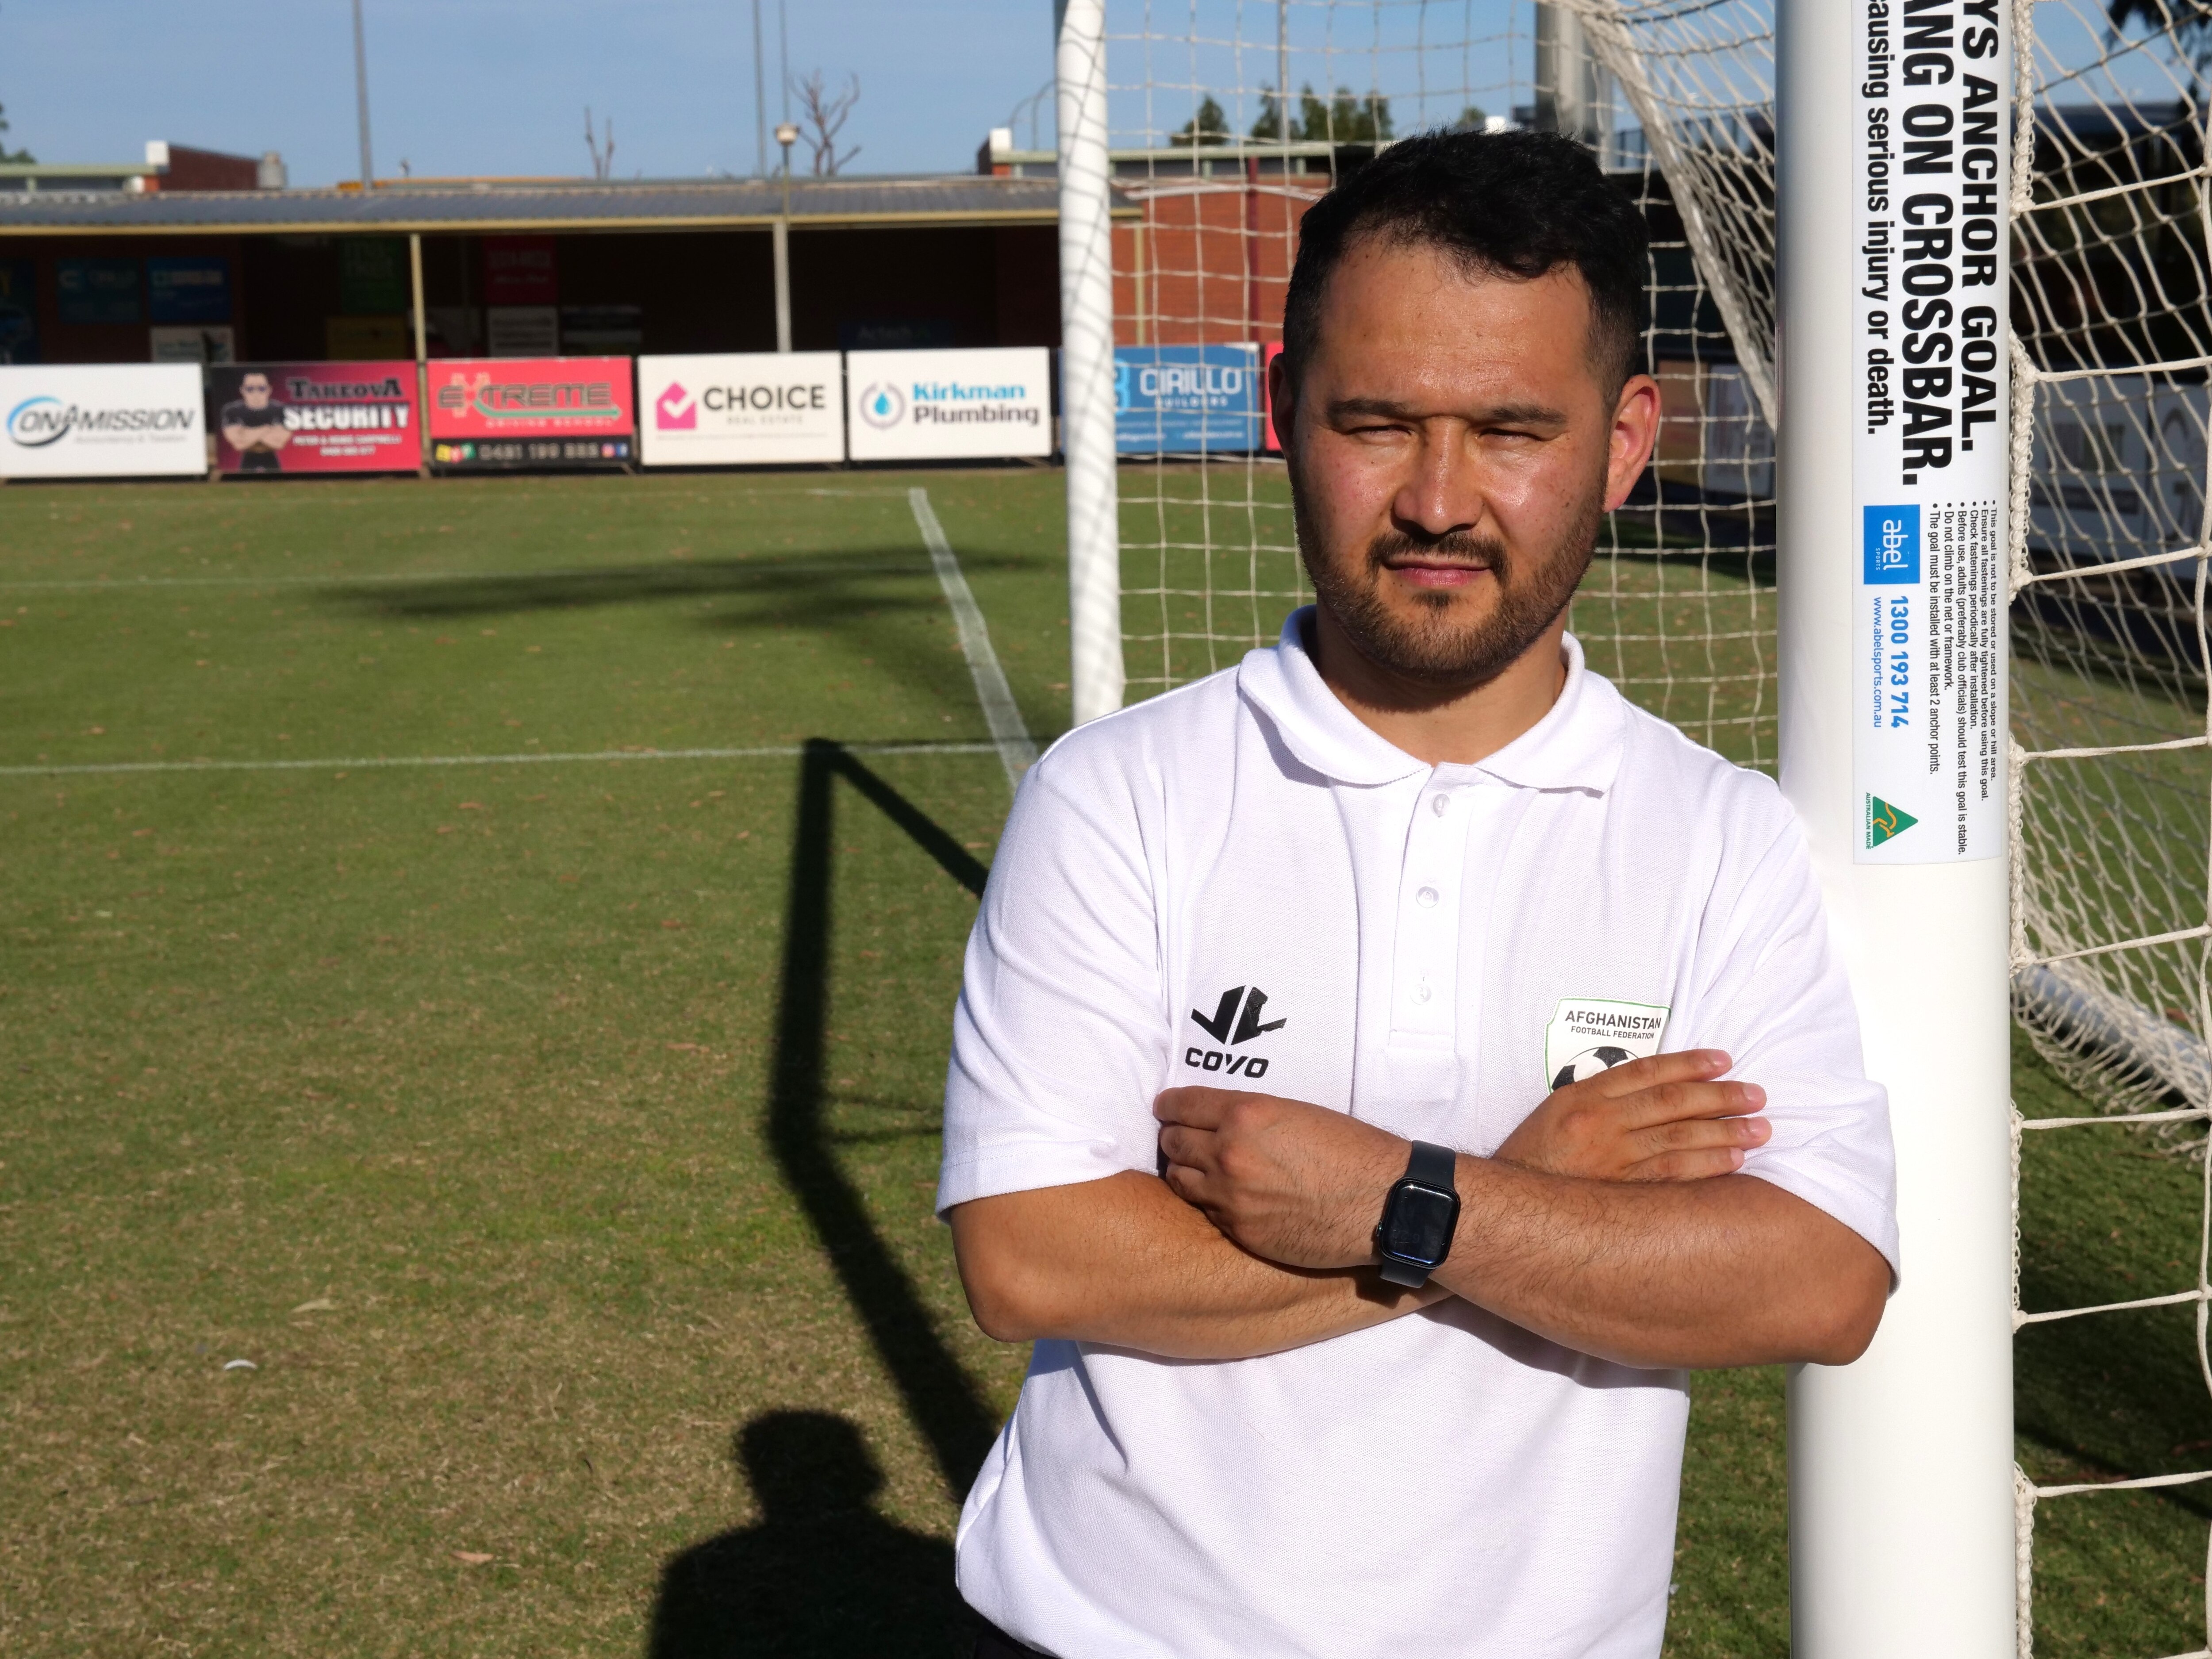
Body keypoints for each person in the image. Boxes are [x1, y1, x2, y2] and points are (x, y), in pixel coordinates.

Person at [937, 128, 1898, 1659]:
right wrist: (1504, 1199)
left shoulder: (1717, 835)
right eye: (1379, 422)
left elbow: (1820, 1278)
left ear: (1627, 438)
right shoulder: (1118, 796)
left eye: (1514, 430)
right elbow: (1030, 1257)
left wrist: (1399, 1200)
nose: (1441, 500)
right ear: (1282, 411)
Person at [219, 369, 291, 472]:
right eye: (250, 389)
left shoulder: (280, 410)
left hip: (272, 459)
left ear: (269, 390)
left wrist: (246, 433)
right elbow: (239, 444)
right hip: (247, 459)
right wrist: (267, 429)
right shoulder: (232, 411)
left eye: (261, 389)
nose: (256, 394)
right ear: (242, 390)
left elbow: (279, 444)